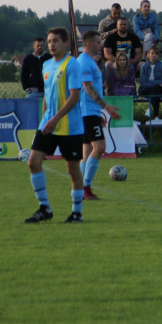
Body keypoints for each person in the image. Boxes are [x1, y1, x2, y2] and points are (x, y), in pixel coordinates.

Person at [24, 27, 86, 224]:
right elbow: (47, 96)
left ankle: (77, 213)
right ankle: (44, 208)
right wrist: (45, 118)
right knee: (33, 162)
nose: (51, 44)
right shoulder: (47, 65)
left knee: (73, 169)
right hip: (49, 123)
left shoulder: (72, 64)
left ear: (65, 43)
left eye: (55, 41)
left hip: (70, 126)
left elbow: (74, 96)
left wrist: (55, 118)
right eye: (49, 41)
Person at [77, 31, 122, 202]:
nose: (100, 45)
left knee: (87, 152)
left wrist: (98, 113)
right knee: (100, 147)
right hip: (87, 112)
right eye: (97, 42)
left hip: (90, 112)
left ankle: (82, 189)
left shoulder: (88, 61)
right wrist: (107, 108)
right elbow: (88, 89)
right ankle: (85, 188)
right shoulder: (84, 63)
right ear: (88, 44)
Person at [139, 46, 162, 119]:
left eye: (156, 53)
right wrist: (156, 82)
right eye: (152, 53)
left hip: (158, 88)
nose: (154, 55)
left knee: (156, 90)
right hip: (146, 89)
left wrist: (151, 82)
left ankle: (150, 108)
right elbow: (143, 82)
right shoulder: (144, 66)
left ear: (158, 55)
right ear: (148, 55)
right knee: (156, 91)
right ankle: (156, 116)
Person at [20, 37, 49, 101]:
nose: (39, 47)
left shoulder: (49, 57)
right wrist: (26, 88)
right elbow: (23, 74)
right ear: (34, 46)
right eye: (37, 45)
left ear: (44, 46)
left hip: (47, 91)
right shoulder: (28, 58)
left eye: (41, 45)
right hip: (33, 92)